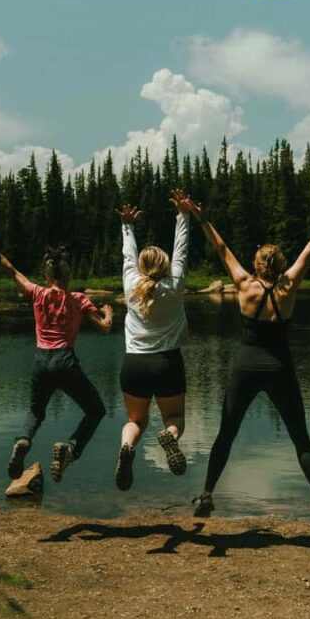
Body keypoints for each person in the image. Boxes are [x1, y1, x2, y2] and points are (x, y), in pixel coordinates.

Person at [185, 195, 310, 522]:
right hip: (280, 368)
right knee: (300, 436)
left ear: (257, 265)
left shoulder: (243, 284)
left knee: (227, 433)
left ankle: (207, 495)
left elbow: (221, 248)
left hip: (245, 367)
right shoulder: (288, 287)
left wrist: (202, 218)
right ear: (280, 265)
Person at [0, 234, 113, 484]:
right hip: (65, 360)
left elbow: (11, 270)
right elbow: (104, 328)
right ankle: (71, 449)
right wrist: (108, 314)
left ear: (47, 277)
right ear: (68, 277)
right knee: (95, 410)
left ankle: (23, 440)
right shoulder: (79, 299)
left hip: (41, 360)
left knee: (35, 412)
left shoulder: (37, 293)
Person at [113, 190, 191, 491]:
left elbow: (127, 255)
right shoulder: (175, 284)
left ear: (142, 268)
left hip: (134, 364)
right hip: (167, 362)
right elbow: (182, 250)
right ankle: (169, 437)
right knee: (174, 416)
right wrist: (183, 216)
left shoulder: (132, 284)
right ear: (166, 265)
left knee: (136, 421)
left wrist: (127, 225)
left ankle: (127, 446)